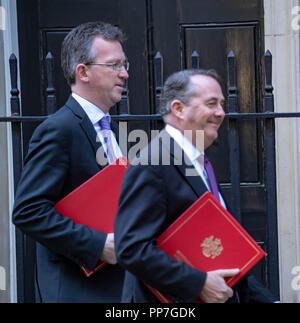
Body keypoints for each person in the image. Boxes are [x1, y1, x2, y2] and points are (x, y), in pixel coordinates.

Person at [114, 69, 276, 303]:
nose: (220, 113)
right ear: (178, 108)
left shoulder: (199, 162)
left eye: (221, 104)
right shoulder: (152, 163)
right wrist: (198, 283)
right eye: (211, 103)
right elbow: (131, 249)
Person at [12, 21, 129, 302]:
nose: (124, 74)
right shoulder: (59, 129)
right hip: (77, 290)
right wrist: (99, 245)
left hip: (114, 288)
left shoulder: (110, 129)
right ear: (83, 72)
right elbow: (28, 211)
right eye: (114, 65)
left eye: (125, 65)